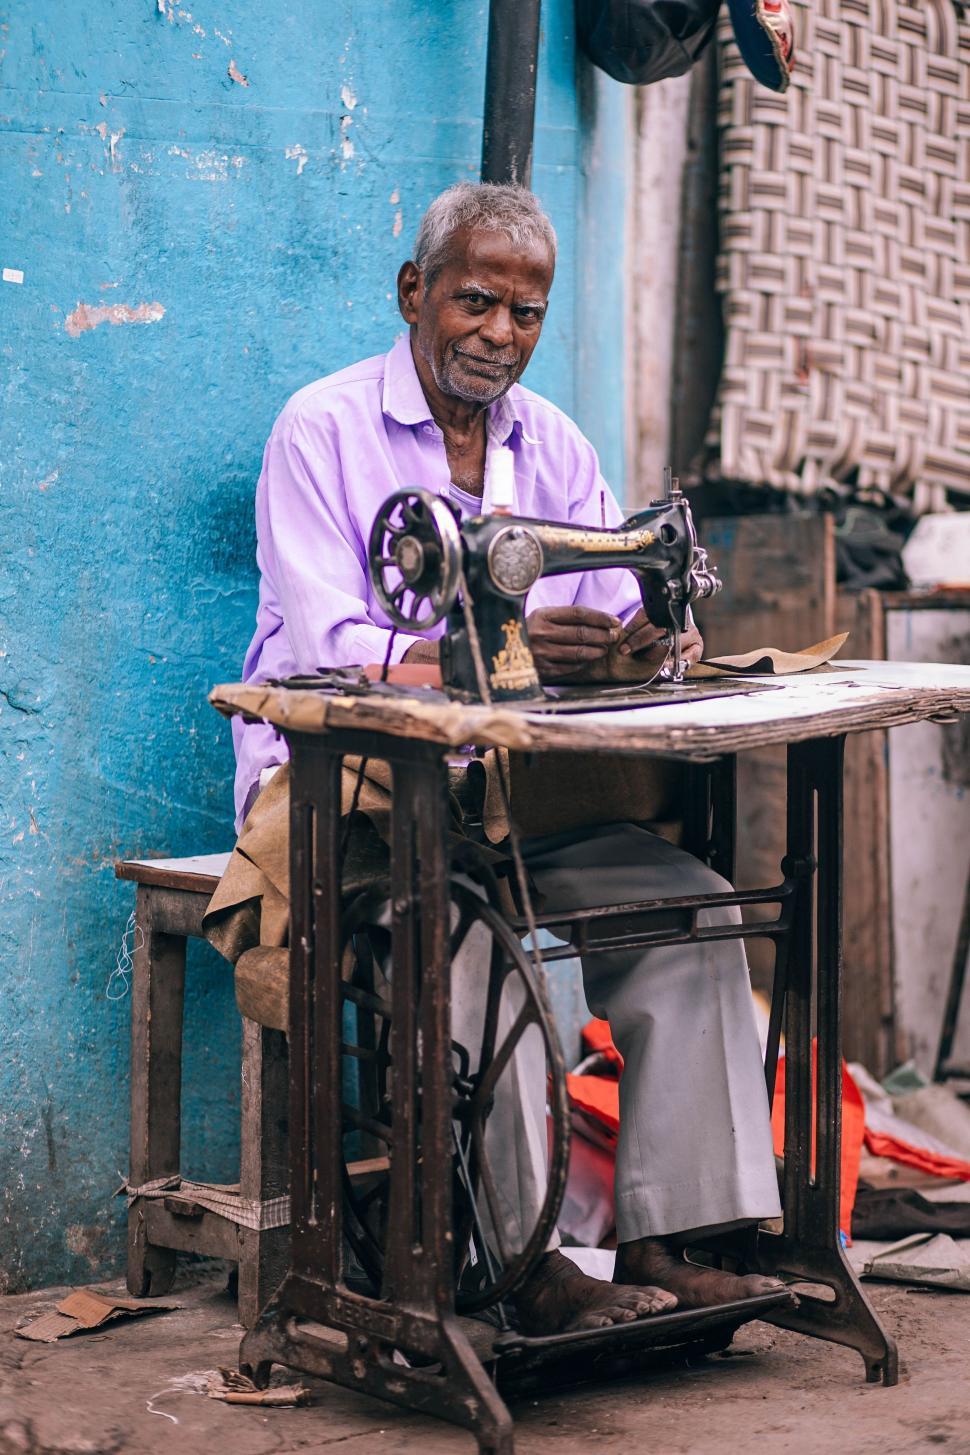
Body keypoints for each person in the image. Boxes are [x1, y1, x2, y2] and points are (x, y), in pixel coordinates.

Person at [233, 181, 785, 1334]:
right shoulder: (321, 430)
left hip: (517, 794)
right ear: (414, 293)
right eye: (475, 302)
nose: (499, 334)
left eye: (525, 313)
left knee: (692, 913)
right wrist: (501, 654)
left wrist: (648, 639)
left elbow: (610, 604)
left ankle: (672, 1238)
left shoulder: (554, 444)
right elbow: (330, 650)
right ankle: (512, 1267)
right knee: (468, 947)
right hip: (352, 795)